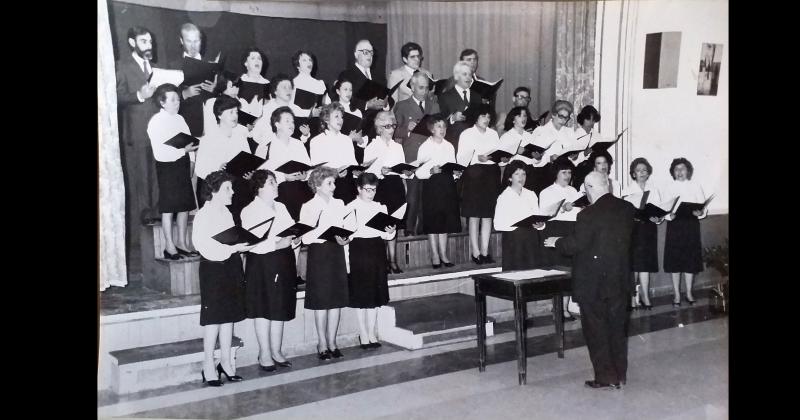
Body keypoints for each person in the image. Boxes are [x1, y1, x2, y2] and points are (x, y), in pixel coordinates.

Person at [544, 171, 636, 390]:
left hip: (593, 282)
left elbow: (576, 245)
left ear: (589, 188)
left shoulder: (588, 214)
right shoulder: (627, 209)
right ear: (608, 185)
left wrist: (557, 242)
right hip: (619, 279)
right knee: (616, 329)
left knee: (596, 330)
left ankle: (606, 377)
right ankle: (620, 374)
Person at [192, 170, 254, 386]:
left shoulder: (226, 213)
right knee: (213, 320)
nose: (233, 192)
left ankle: (226, 363)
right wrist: (232, 249)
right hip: (214, 269)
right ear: (214, 191)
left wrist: (242, 245)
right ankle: (208, 365)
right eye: (228, 188)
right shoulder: (204, 214)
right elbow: (202, 245)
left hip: (231, 267)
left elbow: (231, 238)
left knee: (229, 317)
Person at [241, 170, 300, 371]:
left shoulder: (281, 206)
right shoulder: (249, 210)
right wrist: (277, 245)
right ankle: (264, 353)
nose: (276, 185)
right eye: (271, 182)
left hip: (283, 260)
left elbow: (291, 230)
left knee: (279, 306)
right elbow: (252, 243)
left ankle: (276, 351)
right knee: (264, 308)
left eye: (275, 182)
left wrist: (295, 238)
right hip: (263, 263)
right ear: (259, 188)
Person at [300, 166, 352, 360]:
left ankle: (332, 342)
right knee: (322, 301)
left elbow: (347, 227)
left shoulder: (339, 204)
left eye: (334, 182)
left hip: (336, 252)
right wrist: (321, 230)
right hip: (320, 254)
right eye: (329, 183)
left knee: (336, 300)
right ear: (317, 185)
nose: (334, 186)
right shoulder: (309, 206)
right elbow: (305, 238)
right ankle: (322, 343)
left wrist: (345, 238)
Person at [116, 26, 160, 253]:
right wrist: (139, 95)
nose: (149, 46)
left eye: (150, 41)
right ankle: (142, 244)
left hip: (158, 132)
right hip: (137, 133)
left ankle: (157, 235)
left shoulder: (153, 66)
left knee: (156, 182)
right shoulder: (123, 66)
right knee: (142, 184)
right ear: (132, 43)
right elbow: (116, 96)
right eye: (144, 41)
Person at [146, 83, 200, 260]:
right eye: (173, 100)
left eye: (178, 99)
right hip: (167, 166)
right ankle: (169, 246)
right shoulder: (155, 122)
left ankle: (182, 243)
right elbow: (159, 152)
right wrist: (182, 151)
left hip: (183, 164)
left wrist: (191, 160)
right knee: (169, 208)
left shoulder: (180, 119)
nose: (177, 103)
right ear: (162, 102)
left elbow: (190, 143)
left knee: (184, 206)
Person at [346, 173, 397, 349]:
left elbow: (387, 235)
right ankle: (363, 334)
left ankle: (372, 333)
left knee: (375, 294)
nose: (371, 193)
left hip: (376, 249)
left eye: (374, 189)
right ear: (359, 189)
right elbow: (347, 236)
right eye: (367, 189)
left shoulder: (380, 207)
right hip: (359, 250)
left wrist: (391, 230)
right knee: (362, 295)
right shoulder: (350, 207)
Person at [391, 72, 441, 236]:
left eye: (427, 88)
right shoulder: (402, 105)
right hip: (411, 156)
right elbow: (392, 130)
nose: (424, 91)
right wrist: (407, 129)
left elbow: (440, 126)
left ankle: (425, 231)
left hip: (430, 156)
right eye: (420, 87)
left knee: (428, 198)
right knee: (412, 198)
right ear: (412, 87)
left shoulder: (433, 104)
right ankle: (409, 231)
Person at [364, 111, 410, 273]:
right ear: (379, 128)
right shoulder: (372, 146)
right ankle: (383, 262)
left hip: (396, 185)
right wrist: (379, 170)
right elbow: (366, 174)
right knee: (381, 224)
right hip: (380, 187)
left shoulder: (397, 146)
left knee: (394, 224)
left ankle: (393, 261)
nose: (391, 129)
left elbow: (401, 169)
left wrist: (405, 175)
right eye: (387, 126)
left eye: (393, 126)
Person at [457, 104, 501, 264]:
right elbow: (460, 158)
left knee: (488, 215)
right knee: (474, 215)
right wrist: (477, 158)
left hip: (491, 175)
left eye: (489, 117)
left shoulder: (494, 134)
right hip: (474, 175)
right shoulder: (466, 134)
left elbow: (498, 154)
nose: (486, 120)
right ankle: (475, 253)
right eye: (483, 116)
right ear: (476, 117)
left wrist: (502, 159)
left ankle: (485, 251)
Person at [415, 116, 462, 268]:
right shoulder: (424, 147)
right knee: (433, 221)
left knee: (444, 221)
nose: (442, 130)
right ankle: (435, 255)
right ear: (431, 129)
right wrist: (430, 170)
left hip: (447, 185)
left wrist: (456, 174)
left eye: (444, 127)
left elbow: (452, 165)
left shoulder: (449, 146)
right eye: (439, 126)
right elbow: (418, 172)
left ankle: (443, 254)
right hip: (432, 185)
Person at [539, 159, 583, 320]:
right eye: (564, 172)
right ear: (556, 173)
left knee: (571, 268)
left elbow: (579, 212)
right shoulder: (547, 192)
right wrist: (563, 210)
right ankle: (558, 308)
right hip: (556, 229)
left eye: (570, 172)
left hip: (573, 229)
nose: (567, 175)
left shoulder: (575, 191)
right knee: (559, 269)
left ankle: (564, 308)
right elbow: (545, 216)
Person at [663, 158, 708, 307]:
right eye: (676, 169)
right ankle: (676, 294)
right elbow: (664, 211)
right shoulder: (668, 187)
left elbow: (703, 209)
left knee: (690, 260)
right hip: (675, 227)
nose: (680, 172)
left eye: (682, 169)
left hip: (691, 226)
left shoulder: (695, 186)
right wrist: (670, 215)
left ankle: (689, 292)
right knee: (675, 261)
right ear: (673, 172)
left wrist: (699, 213)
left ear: (688, 171)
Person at [194, 96, 251, 211]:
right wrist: (218, 169)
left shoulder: (240, 137)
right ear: (219, 115)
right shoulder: (208, 139)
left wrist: (249, 173)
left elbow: (248, 161)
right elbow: (200, 169)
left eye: (236, 112)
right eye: (231, 112)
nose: (235, 116)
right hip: (217, 187)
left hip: (238, 185)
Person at [621, 158, 663, 310]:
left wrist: (657, 218)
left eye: (644, 170)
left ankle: (645, 295)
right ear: (633, 173)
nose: (642, 173)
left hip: (649, 229)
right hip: (633, 230)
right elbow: (623, 212)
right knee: (633, 264)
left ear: (648, 172)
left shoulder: (654, 189)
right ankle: (631, 297)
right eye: (638, 170)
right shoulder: (627, 190)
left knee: (645, 263)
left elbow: (659, 211)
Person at [493, 160, 547, 270]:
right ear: (510, 177)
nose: (521, 177)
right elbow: (497, 225)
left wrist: (541, 224)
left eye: (523, 174)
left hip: (531, 239)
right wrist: (518, 223)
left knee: (533, 273)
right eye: (517, 174)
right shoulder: (504, 197)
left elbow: (538, 216)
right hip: (514, 241)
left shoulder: (531, 194)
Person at [170, 23, 219, 137]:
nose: (193, 46)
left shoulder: (211, 64)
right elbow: (166, 97)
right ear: (181, 41)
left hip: (211, 124)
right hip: (187, 124)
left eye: (196, 41)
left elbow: (221, 95)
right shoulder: (173, 66)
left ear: (201, 41)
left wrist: (215, 90)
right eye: (189, 41)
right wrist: (184, 94)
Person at [336, 39, 388, 139]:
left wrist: (385, 103)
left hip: (378, 127)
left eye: (371, 52)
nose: (369, 55)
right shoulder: (347, 74)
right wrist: (367, 105)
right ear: (356, 54)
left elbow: (387, 98)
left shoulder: (379, 76)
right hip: (358, 127)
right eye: (365, 52)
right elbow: (343, 99)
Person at [309, 102, 360, 203]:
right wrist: (334, 173)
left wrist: (358, 171)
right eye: (336, 116)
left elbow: (353, 163)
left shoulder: (347, 139)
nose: (340, 120)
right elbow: (316, 170)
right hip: (329, 184)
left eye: (341, 117)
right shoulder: (316, 141)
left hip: (348, 183)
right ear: (326, 119)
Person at [251, 74, 310, 146]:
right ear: (275, 91)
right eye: (284, 87)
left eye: (290, 87)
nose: (288, 90)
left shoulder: (296, 109)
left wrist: (305, 134)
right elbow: (256, 135)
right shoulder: (266, 108)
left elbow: (300, 139)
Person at [438, 61, 484, 150]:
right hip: (455, 141)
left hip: (476, 141)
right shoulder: (445, 97)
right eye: (464, 74)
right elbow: (439, 121)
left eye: (470, 74)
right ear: (456, 76)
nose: (468, 77)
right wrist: (452, 118)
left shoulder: (477, 96)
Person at [570, 105, 601, 187]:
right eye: (588, 119)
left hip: (595, 171)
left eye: (593, 120)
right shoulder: (575, 136)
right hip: (579, 172)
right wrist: (584, 154)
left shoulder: (597, 135)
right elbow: (571, 160)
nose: (591, 122)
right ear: (582, 119)